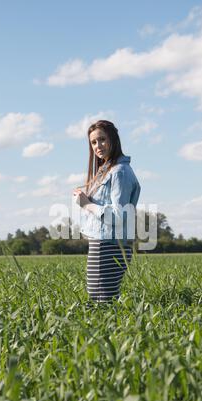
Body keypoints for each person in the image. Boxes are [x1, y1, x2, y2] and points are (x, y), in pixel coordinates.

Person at [73, 120, 141, 303]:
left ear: (114, 139)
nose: (98, 146)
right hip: (102, 243)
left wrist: (87, 204)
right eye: (93, 142)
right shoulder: (107, 170)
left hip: (110, 245)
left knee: (102, 300)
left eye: (102, 139)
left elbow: (118, 216)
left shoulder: (119, 172)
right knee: (100, 298)